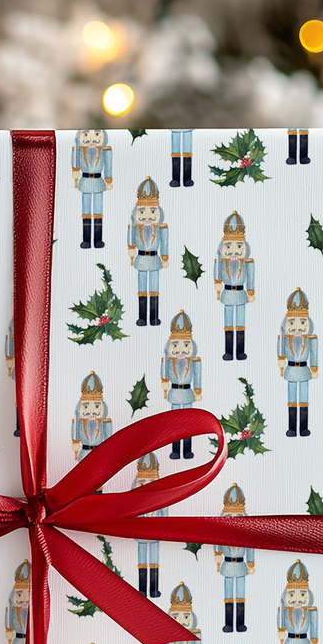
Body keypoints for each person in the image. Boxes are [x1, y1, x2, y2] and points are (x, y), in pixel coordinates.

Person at [276, 287, 318, 438]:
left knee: (304, 400)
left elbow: (314, 354)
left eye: (302, 322)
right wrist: (281, 359)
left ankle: (304, 427)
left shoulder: (311, 339)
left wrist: (314, 368)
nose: (297, 328)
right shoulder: (284, 338)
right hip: (291, 369)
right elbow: (280, 351)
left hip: (305, 370)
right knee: (292, 400)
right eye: (292, 323)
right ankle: (292, 428)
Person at [214, 484, 256, 632]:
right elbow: (216, 541)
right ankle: (228, 623)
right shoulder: (222, 532)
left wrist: (251, 563)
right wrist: (217, 554)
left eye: (237, 517)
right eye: (230, 517)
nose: (233, 519)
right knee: (228, 596)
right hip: (227, 564)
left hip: (241, 565)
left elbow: (250, 547)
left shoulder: (246, 534)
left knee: (240, 595)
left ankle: (240, 623)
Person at [214, 211, 255, 361]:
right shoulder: (221, 262)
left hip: (241, 294)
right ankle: (229, 351)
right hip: (227, 293)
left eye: (238, 246)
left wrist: (251, 292)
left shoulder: (247, 263)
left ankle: (240, 351)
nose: (233, 252)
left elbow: (250, 277)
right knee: (228, 324)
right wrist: (217, 283)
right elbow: (217, 274)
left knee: (240, 324)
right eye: (228, 246)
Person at [161, 310, 202, 459]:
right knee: (175, 423)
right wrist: (164, 382)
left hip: (188, 393)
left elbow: (198, 376)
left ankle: (187, 449)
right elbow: (164, 372)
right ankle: (176, 450)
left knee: (188, 422)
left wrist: (198, 390)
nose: (180, 350)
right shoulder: (168, 361)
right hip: (174, 393)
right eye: (175, 345)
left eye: (185, 345)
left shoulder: (194, 362)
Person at [128, 176, 169, 326]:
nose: (147, 217)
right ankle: (142, 317)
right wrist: (131, 248)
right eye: (142, 212)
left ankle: (154, 317)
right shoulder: (134, 227)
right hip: (140, 259)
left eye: (152, 211)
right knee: (141, 290)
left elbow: (164, 243)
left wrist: (165, 257)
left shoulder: (161, 228)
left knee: (154, 290)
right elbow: (131, 240)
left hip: (155, 259)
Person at [71, 128, 113, 248]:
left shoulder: (105, 150)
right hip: (85, 181)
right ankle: (86, 240)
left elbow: (108, 165)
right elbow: (75, 161)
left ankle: (98, 239)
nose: (91, 139)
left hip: (99, 181)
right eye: (85, 134)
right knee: (86, 212)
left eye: (97, 134)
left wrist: (108, 179)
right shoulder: (79, 150)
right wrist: (75, 170)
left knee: (98, 212)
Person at [131, 454, 166, 598]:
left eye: (151, 482)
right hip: (140, 534)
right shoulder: (134, 502)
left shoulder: (161, 500)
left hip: (155, 534)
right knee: (142, 562)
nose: (146, 485)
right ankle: (142, 589)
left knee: (154, 561)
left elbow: (164, 516)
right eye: (142, 482)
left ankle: (154, 588)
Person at [71, 372, 112, 462]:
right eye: (86, 407)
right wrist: (75, 442)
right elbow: (75, 434)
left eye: (97, 406)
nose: (91, 411)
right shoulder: (79, 421)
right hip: (84, 454)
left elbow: (108, 440)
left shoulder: (105, 422)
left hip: (100, 454)